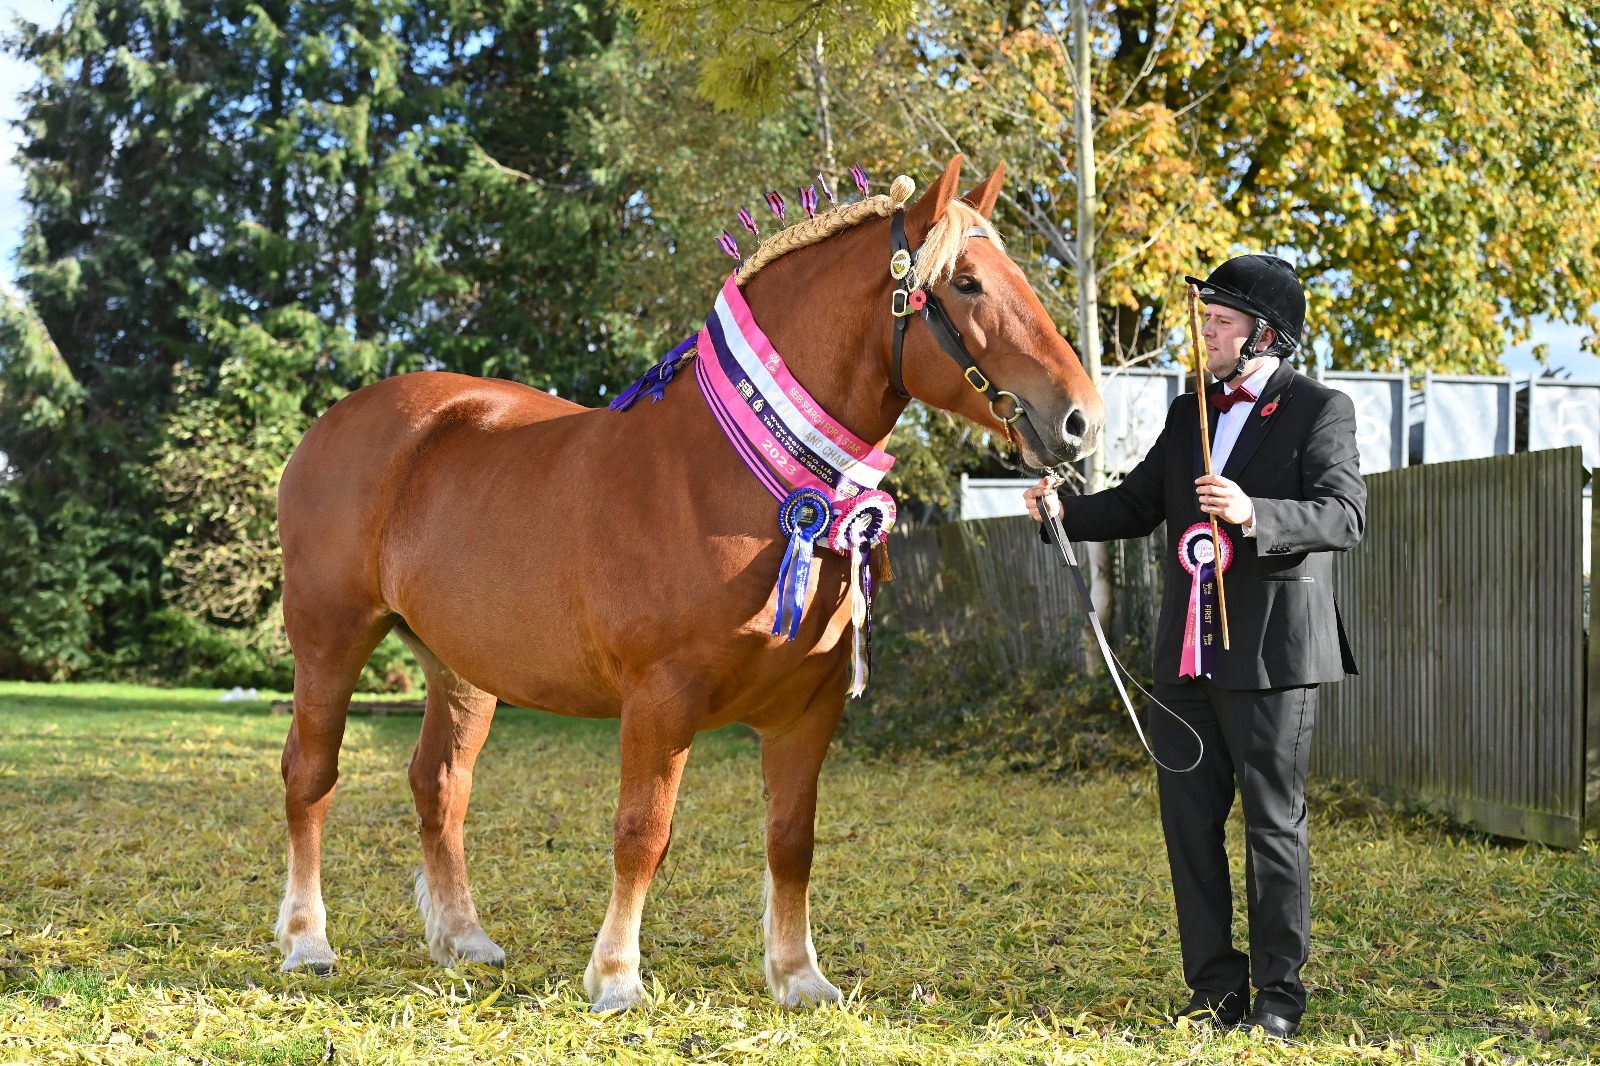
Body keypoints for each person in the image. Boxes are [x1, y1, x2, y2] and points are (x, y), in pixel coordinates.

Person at [1024, 254, 1365, 1039]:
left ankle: (1279, 1000)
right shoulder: (1190, 413)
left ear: (1265, 336)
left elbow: (1345, 517)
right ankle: (1214, 991)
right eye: (1205, 320)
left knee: (1273, 827)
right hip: (1187, 660)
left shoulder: (1322, 409)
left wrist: (1255, 512)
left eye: (1220, 323)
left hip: (1273, 657)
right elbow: (1140, 503)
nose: (1205, 333)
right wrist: (1062, 514)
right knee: (1188, 829)